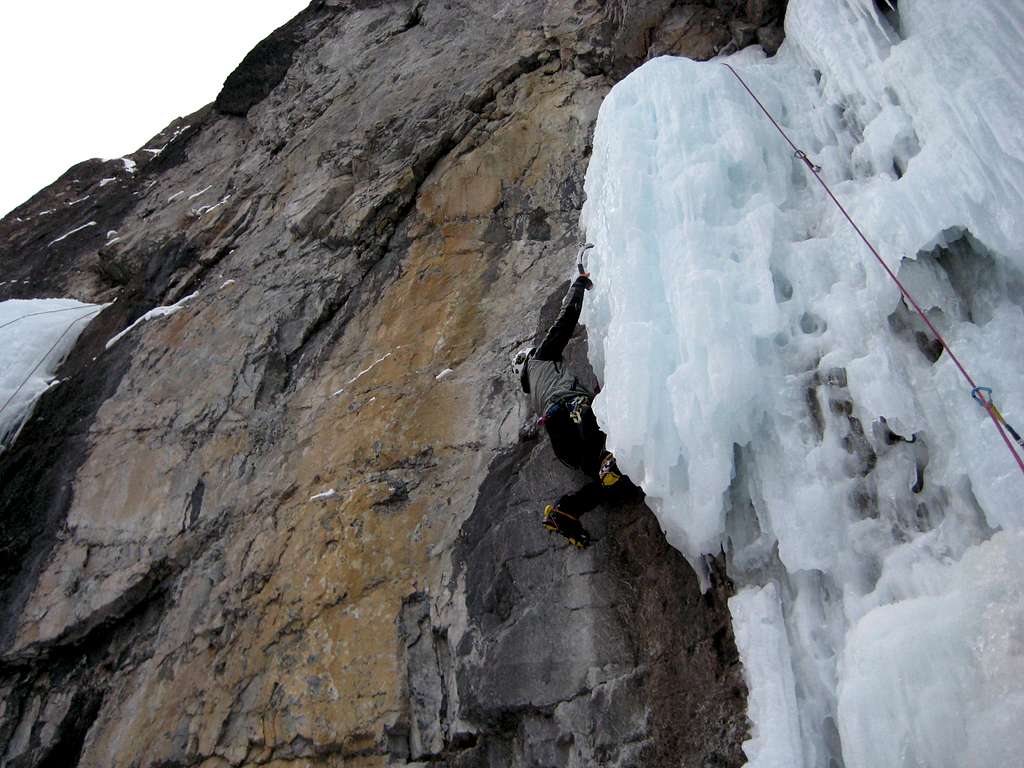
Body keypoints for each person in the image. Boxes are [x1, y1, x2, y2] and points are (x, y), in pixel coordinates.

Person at [512, 269, 634, 549]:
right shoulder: (540, 359)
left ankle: (566, 510)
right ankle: (606, 462)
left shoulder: (535, 396)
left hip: (561, 439)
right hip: (573, 412)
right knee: (605, 444)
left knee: (609, 480)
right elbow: (563, 323)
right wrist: (579, 285)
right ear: (529, 359)